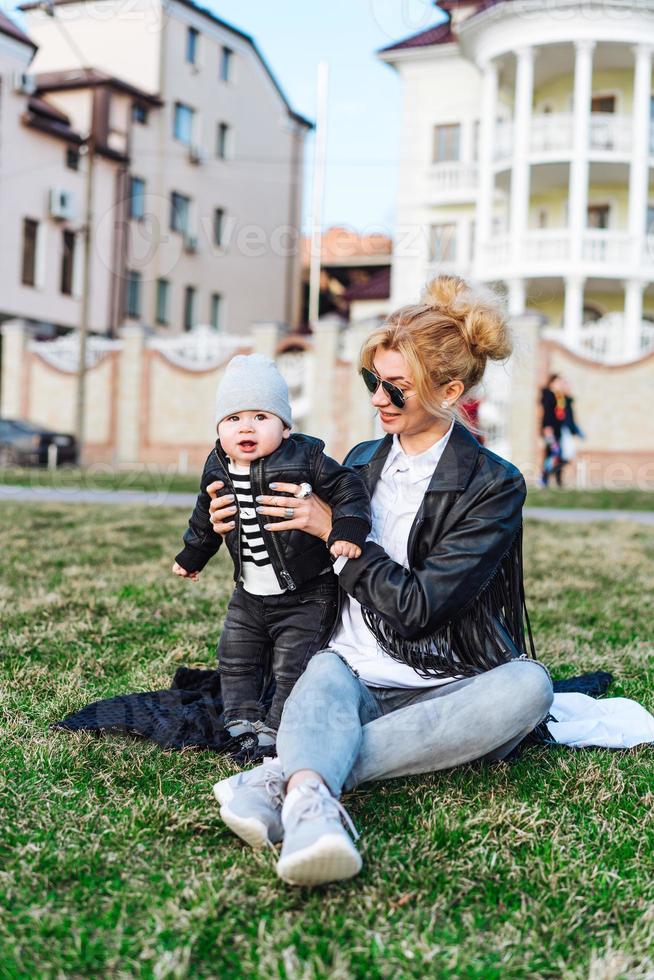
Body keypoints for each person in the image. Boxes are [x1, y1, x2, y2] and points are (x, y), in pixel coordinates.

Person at [210, 276, 554, 885]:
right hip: (348, 667)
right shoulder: (362, 461)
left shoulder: (493, 485)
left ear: (450, 391)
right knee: (321, 671)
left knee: (529, 689)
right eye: (374, 381)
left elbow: (420, 607)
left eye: (397, 387)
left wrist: (337, 540)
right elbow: (306, 561)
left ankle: (288, 777)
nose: (378, 399)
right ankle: (314, 807)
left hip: (444, 679)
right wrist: (234, 526)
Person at [172, 353, 371, 762]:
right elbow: (204, 515)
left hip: (306, 592)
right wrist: (194, 554)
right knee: (235, 653)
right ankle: (241, 719)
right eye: (233, 419)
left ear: (285, 426)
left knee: (292, 665)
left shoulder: (305, 459)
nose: (246, 426)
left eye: (261, 417)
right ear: (219, 429)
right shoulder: (217, 465)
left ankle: (279, 726)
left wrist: (347, 528)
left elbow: (349, 487)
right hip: (249, 590)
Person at [540, 374, 583, 487]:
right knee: (553, 453)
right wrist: (547, 429)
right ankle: (544, 478)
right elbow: (547, 414)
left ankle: (558, 480)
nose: (560, 384)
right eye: (558, 382)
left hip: (558, 430)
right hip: (549, 430)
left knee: (559, 455)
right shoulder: (548, 395)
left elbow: (567, 406)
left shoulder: (559, 396)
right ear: (552, 383)